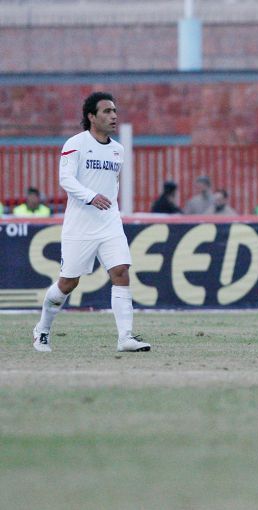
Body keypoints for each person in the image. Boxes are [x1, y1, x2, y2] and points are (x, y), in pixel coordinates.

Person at [32, 91, 150, 353]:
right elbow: (66, 179)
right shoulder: (75, 143)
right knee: (68, 283)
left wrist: (108, 207)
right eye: (107, 111)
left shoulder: (118, 150)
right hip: (80, 225)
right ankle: (42, 330)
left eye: (115, 111)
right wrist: (90, 196)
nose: (114, 116)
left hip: (109, 223)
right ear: (91, 117)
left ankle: (125, 338)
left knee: (121, 272)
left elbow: (112, 185)